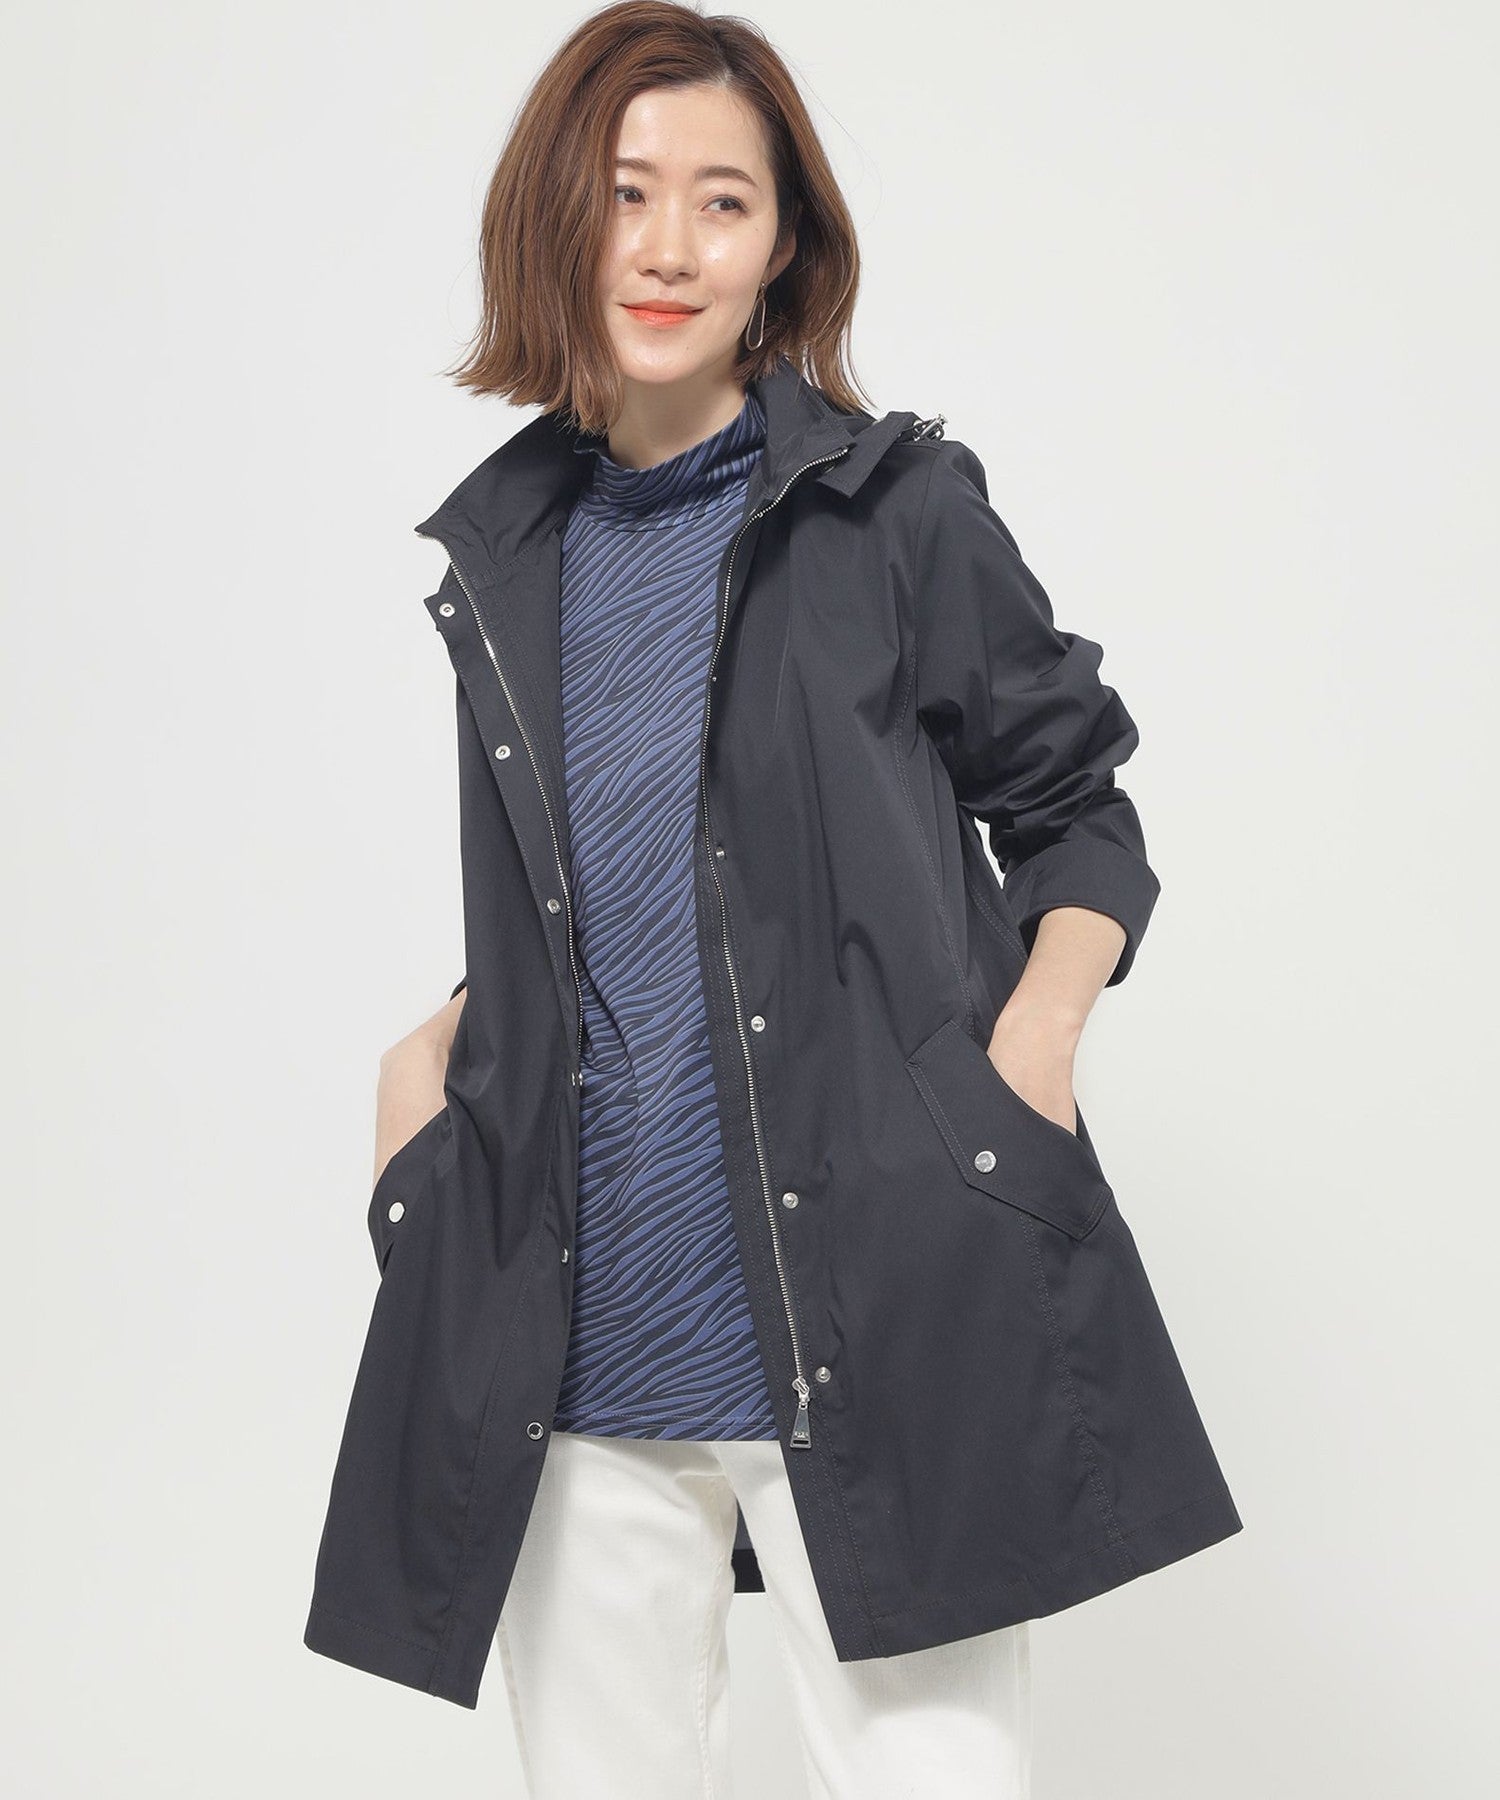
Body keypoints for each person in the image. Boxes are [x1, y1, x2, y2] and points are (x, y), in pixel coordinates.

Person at [305, 4, 1244, 1793]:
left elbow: (1076, 810)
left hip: (876, 1290)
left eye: (722, 202)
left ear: (782, 246)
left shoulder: (896, 514)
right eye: (626, 192)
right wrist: (424, 1075)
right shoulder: (507, 552)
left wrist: (1032, 1051)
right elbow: (614, 883)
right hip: (566, 1317)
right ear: (552, 216)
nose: (668, 247)